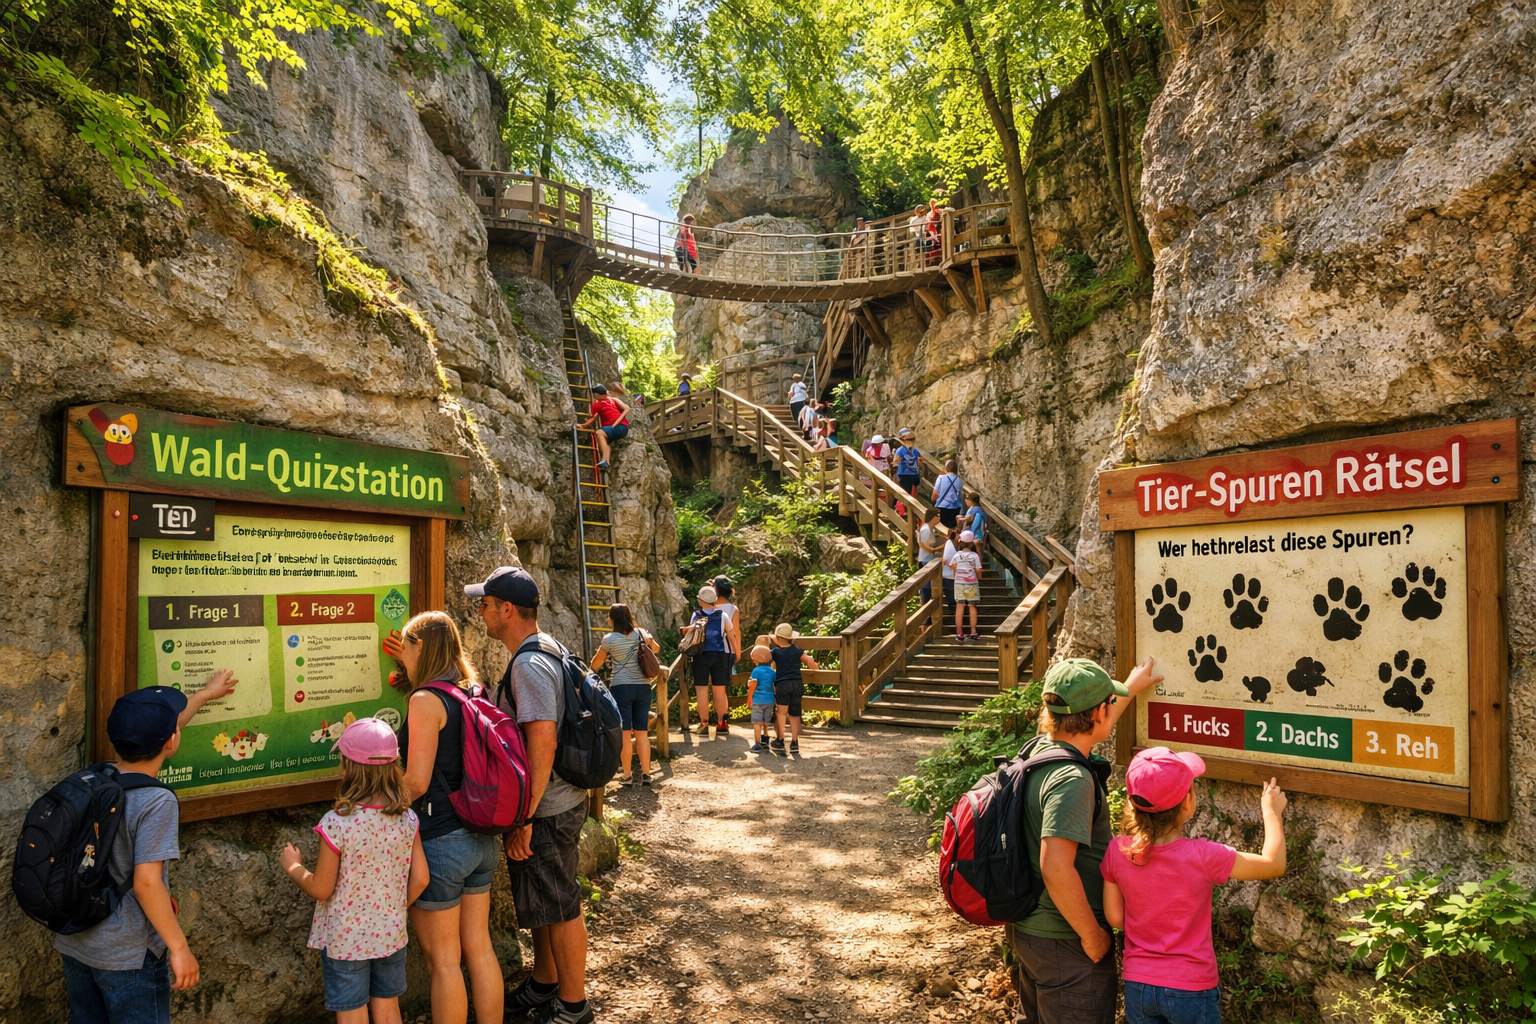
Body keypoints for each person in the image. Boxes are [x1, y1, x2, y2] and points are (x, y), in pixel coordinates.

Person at [56, 673, 238, 1023]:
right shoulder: (156, 801)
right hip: (128, 954)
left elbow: (160, 732)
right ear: (171, 742)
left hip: (77, 940)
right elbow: (147, 883)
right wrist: (180, 948)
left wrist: (203, 695)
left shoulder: (98, 776)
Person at [469, 567, 594, 1024]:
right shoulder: (546, 648)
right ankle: (545, 981)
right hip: (553, 801)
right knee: (545, 900)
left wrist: (524, 815)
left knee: (560, 904)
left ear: (506, 609)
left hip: (548, 807)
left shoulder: (529, 663)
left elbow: (542, 741)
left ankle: (574, 1004)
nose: (480, 612)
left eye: (483, 604)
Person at [1010, 657, 1163, 1024]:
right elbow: (1055, 866)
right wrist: (1092, 936)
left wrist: (1129, 685)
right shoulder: (1072, 780)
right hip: (1068, 943)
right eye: (1109, 703)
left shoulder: (1039, 751)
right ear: (1097, 712)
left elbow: (1088, 727)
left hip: (1031, 933)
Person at [1102, 750, 1289, 1024]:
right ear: (1187, 803)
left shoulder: (1117, 851)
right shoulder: (1204, 855)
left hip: (1138, 985)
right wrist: (1271, 811)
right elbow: (1273, 864)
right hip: (1190, 988)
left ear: (1133, 804)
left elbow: (1116, 918)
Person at [394, 611, 504, 1024]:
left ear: (420, 647)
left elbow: (417, 782)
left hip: (440, 841)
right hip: (480, 837)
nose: (403, 656)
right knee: (478, 948)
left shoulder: (424, 701)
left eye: (406, 647)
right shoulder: (471, 690)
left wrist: (369, 806)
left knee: (443, 961)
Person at [281, 718, 430, 1024]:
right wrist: (393, 910)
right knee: (388, 1009)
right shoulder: (407, 819)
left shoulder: (337, 823)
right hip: (390, 933)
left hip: (346, 940)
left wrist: (293, 866)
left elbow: (322, 888)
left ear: (348, 767)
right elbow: (422, 878)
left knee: (352, 1012)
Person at [590, 603, 661, 787]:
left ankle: (627, 775)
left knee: (625, 734)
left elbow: (595, 665)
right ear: (630, 616)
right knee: (642, 733)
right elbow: (657, 649)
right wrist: (648, 638)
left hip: (621, 688)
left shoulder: (609, 639)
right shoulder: (640, 634)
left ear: (611, 620)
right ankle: (646, 774)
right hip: (643, 688)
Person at [689, 584, 737, 736]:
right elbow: (730, 634)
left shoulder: (696, 615)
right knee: (719, 690)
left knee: (702, 690)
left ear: (701, 600)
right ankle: (722, 723)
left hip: (700, 654)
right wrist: (735, 651)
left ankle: (704, 724)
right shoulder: (722, 615)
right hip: (719, 654)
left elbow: (691, 633)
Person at [767, 623, 819, 755]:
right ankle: (795, 742)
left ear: (777, 638)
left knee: (781, 713)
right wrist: (814, 664)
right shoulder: (797, 651)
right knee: (795, 714)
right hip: (797, 684)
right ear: (791, 638)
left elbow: (763, 660)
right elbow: (810, 663)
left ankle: (780, 740)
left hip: (782, 684)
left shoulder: (775, 652)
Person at [580, 382, 630, 471]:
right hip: (621, 428)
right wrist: (583, 425)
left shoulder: (607, 401)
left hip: (619, 427)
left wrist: (617, 421)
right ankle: (605, 462)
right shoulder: (605, 402)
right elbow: (594, 417)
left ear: (596, 395)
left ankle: (605, 460)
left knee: (599, 433)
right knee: (605, 442)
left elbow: (627, 408)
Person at [951, 530, 984, 642]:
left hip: (959, 582)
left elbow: (953, 566)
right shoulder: (974, 556)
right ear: (971, 543)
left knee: (959, 606)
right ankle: (973, 631)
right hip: (972, 583)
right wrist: (979, 577)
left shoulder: (957, 555)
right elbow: (978, 569)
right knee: (972, 606)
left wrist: (957, 576)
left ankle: (959, 633)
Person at [747, 646, 777, 753]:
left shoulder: (756, 671)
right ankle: (765, 740)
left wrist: (749, 698)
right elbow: (775, 685)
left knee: (757, 723)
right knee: (766, 722)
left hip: (758, 700)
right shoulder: (772, 672)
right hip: (769, 700)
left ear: (756, 660)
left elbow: (753, 685)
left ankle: (757, 744)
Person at [712, 576, 744, 664]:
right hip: (728, 649)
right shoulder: (733, 609)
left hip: (709, 649)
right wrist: (738, 650)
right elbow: (736, 632)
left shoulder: (708, 608)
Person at [917, 507, 943, 605]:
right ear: (933, 517)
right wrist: (936, 550)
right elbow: (923, 544)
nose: (939, 518)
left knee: (929, 587)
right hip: (925, 561)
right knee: (926, 588)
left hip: (929, 560)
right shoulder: (926, 529)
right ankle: (925, 611)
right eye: (938, 516)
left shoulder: (930, 529)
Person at [932, 459, 965, 529]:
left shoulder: (940, 478)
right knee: (952, 529)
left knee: (941, 528)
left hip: (942, 507)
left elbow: (935, 494)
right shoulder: (959, 481)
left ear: (946, 468)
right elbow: (960, 496)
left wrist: (933, 501)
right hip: (955, 509)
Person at [894, 430, 922, 496]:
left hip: (903, 474)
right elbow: (920, 461)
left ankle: (906, 505)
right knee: (914, 491)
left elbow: (895, 462)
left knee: (905, 492)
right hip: (914, 473)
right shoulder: (915, 450)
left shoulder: (899, 450)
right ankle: (914, 504)